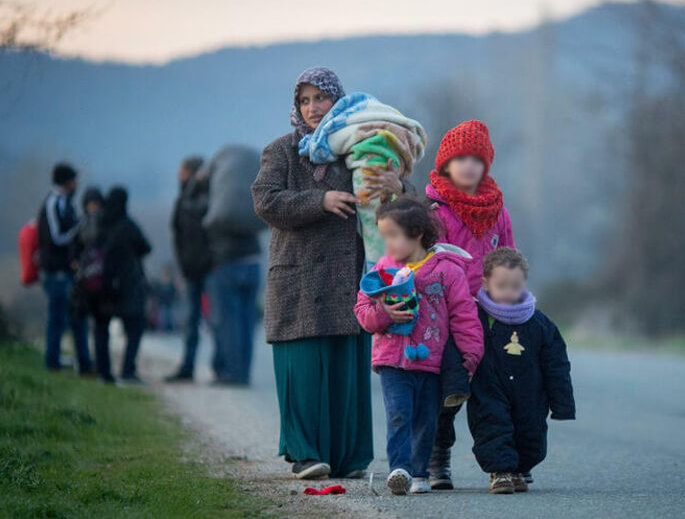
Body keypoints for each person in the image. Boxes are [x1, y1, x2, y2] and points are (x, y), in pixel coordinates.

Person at [251, 67, 410, 480]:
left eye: (320, 98)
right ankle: (305, 454)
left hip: (349, 278)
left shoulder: (359, 146)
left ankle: (349, 458)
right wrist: (319, 200)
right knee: (301, 369)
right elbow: (265, 201)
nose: (312, 108)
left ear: (337, 101)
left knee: (345, 372)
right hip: (297, 280)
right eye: (304, 100)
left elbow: (393, 211)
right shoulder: (281, 151)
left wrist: (398, 187)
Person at [354, 198, 484, 495]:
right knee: (399, 414)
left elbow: (463, 315)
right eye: (384, 235)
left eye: (393, 235)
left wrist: (470, 354)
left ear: (417, 234)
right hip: (391, 360)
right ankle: (399, 469)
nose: (387, 243)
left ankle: (420, 473)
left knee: (427, 419)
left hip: (431, 361)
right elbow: (362, 310)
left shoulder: (447, 271)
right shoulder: (381, 272)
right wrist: (384, 315)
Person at [424, 120, 516, 489]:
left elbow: (509, 257)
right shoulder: (436, 212)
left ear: (486, 165)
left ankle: (503, 465)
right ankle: (436, 459)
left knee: (493, 394)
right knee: (448, 392)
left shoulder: (499, 211)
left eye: (476, 158)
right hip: (447, 316)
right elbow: (427, 266)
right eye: (459, 158)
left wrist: (512, 299)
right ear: (446, 163)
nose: (468, 165)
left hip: (491, 315)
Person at [467, 248, 575, 494]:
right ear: (485, 282)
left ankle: (519, 468)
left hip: (530, 392)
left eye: (515, 285)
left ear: (524, 283)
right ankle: (501, 472)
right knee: (492, 426)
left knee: (531, 433)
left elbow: (556, 365)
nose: (508, 292)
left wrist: (562, 403)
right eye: (501, 285)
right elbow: (460, 350)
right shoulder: (475, 318)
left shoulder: (539, 323)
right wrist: (455, 385)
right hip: (488, 389)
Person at [202, 145, 263, 386]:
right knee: (247, 323)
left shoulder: (218, 209)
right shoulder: (245, 209)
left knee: (229, 321)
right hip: (253, 264)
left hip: (226, 265)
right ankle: (244, 372)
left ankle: (232, 374)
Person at [37, 163, 92, 374]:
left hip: (66, 272)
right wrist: (78, 227)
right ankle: (52, 363)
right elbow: (56, 237)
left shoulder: (66, 203)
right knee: (58, 319)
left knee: (76, 318)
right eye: (74, 180)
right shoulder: (53, 203)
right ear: (67, 181)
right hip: (56, 272)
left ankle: (83, 363)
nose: (77, 184)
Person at [100, 186, 152, 384]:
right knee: (135, 328)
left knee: (101, 329)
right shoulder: (128, 226)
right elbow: (146, 247)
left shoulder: (102, 224)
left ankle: (103, 371)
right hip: (128, 285)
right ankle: (127, 369)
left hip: (103, 286)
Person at [167, 156, 211, 382]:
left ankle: (191, 367)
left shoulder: (195, 196)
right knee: (196, 320)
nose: (178, 175)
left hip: (204, 266)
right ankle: (190, 366)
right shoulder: (194, 196)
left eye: (182, 171)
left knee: (197, 320)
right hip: (199, 266)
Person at [70, 187, 114, 383]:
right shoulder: (83, 226)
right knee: (85, 327)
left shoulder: (96, 226)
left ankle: (100, 368)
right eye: (91, 204)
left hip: (99, 286)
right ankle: (88, 365)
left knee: (99, 328)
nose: (94, 208)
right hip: (87, 285)